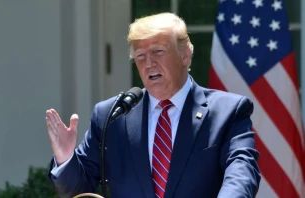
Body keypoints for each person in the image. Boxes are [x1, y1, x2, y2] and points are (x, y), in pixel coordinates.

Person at [46, 12, 261, 198]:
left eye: (158, 51)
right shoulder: (111, 116)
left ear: (185, 54)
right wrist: (66, 159)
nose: (149, 63)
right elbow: (79, 191)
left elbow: (242, 175)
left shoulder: (227, 112)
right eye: (140, 56)